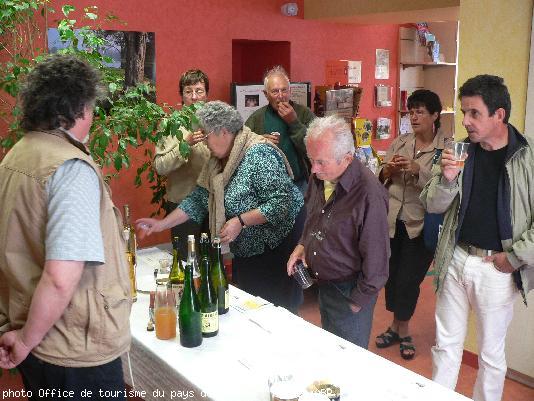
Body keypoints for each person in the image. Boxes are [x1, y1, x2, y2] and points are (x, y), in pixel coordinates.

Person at [0, 54, 131, 399]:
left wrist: (25, 336)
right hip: (73, 350)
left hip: (35, 332)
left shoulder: (16, 155)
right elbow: (61, 276)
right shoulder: (70, 168)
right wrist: (26, 341)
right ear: (79, 109)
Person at [421, 75, 534, 401]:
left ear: (499, 115)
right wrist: (446, 178)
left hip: (496, 267)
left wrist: (513, 258)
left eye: (474, 113)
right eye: (463, 112)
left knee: (490, 355)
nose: (465, 121)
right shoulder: (459, 152)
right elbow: (432, 204)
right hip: (455, 257)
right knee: (446, 346)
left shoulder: (526, 159)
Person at [138, 101, 304, 312]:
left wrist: (241, 221)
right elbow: (198, 199)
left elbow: (282, 202)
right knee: (249, 307)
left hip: (277, 247)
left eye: (206, 136)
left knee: (275, 313)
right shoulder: (218, 160)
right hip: (247, 249)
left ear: (223, 132)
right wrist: (161, 225)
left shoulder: (258, 154)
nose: (204, 142)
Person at [286, 115, 390, 348]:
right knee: (331, 354)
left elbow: (378, 260)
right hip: (326, 286)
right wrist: (303, 245)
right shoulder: (320, 177)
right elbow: (314, 217)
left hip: (350, 292)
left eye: (321, 162)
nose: (313, 169)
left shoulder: (369, 195)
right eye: (311, 160)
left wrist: (357, 301)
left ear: (347, 159)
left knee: (349, 363)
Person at [375, 90, 449, 360]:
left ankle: (402, 330)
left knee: (409, 280)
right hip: (392, 222)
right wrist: (388, 170)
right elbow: (380, 175)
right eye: (411, 111)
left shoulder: (445, 148)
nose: (414, 117)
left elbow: (444, 187)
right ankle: (396, 325)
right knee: (392, 277)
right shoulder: (400, 142)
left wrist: (419, 171)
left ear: (434, 116)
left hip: (421, 224)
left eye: (420, 112)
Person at [153, 69, 210, 254]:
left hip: (213, 205)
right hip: (182, 206)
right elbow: (160, 167)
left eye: (199, 91)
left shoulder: (216, 123)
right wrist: (186, 144)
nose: (194, 97)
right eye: (188, 91)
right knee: (188, 264)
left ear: (207, 94)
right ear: (182, 96)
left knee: (213, 259)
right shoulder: (169, 125)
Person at [245, 65, 315, 194]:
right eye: (275, 91)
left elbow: (315, 148)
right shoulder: (256, 118)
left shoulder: (304, 113)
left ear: (290, 91)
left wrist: (294, 122)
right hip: (266, 187)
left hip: (300, 184)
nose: (281, 96)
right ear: (266, 94)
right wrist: (257, 141)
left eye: (284, 90)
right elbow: (240, 149)